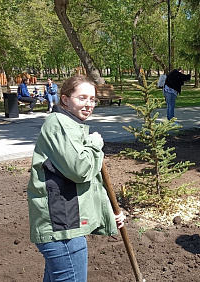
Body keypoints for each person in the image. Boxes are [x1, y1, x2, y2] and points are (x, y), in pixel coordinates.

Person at [27, 75, 126, 281]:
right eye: (82, 98)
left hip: (64, 226)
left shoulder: (71, 125)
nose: (89, 104)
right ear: (65, 99)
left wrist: (109, 212)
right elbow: (81, 170)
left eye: (92, 99)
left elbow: (84, 184)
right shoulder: (60, 124)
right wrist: (94, 145)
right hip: (63, 230)